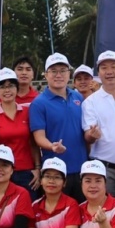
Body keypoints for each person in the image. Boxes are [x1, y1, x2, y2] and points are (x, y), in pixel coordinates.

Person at [29, 53, 89, 200]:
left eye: (63, 70)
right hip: (56, 171)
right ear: (46, 75)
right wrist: (52, 146)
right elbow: (39, 137)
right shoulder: (39, 103)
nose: (58, 75)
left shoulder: (78, 97)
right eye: (53, 71)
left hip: (82, 169)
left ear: (69, 74)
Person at [81, 50, 115, 198]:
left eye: (113, 67)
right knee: (110, 213)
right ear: (99, 73)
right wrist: (92, 135)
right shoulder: (90, 102)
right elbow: (88, 135)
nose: (109, 71)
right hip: (106, 169)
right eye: (104, 68)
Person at [0, 68, 40, 200]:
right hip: (3, 172)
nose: (7, 90)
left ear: (17, 88)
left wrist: (38, 168)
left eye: (11, 86)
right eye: (2, 87)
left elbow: (33, 143)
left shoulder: (27, 112)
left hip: (28, 172)